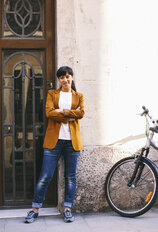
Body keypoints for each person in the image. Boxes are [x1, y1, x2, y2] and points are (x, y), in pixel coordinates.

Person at [25, 66, 85, 223]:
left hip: (72, 142)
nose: (65, 80)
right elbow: (49, 112)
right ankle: (35, 209)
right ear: (58, 80)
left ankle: (67, 209)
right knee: (45, 176)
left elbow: (81, 113)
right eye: (61, 77)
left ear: (72, 77)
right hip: (54, 141)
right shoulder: (52, 93)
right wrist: (69, 115)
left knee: (70, 177)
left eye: (67, 76)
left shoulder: (79, 96)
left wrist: (63, 112)